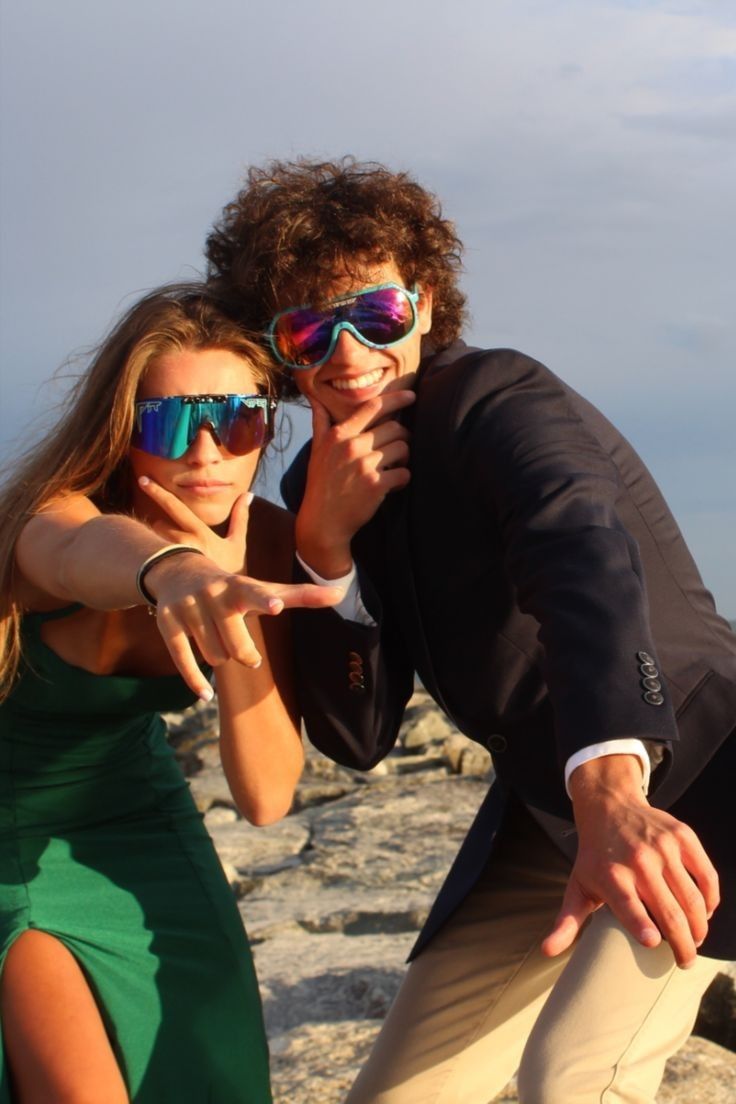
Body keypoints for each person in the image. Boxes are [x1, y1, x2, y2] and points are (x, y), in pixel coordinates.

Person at [205, 158, 736, 1104]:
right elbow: (358, 737)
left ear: (425, 300)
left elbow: (578, 545)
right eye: (307, 328)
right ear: (279, 351)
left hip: (692, 775)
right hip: (543, 814)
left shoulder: (500, 395)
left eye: (373, 312)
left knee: (575, 1075)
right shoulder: (307, 492)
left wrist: (612, 791)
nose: (347, 352)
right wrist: (326, 548)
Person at [0, 285, 343, 1103]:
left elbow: (264, 797)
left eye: (239, 420)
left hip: (139, 830)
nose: (206, 453)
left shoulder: (262, 543)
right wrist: (172, 571)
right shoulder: (54, 516)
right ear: (121, 432)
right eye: (168, 422)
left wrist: (237, 614)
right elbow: (80, 552)